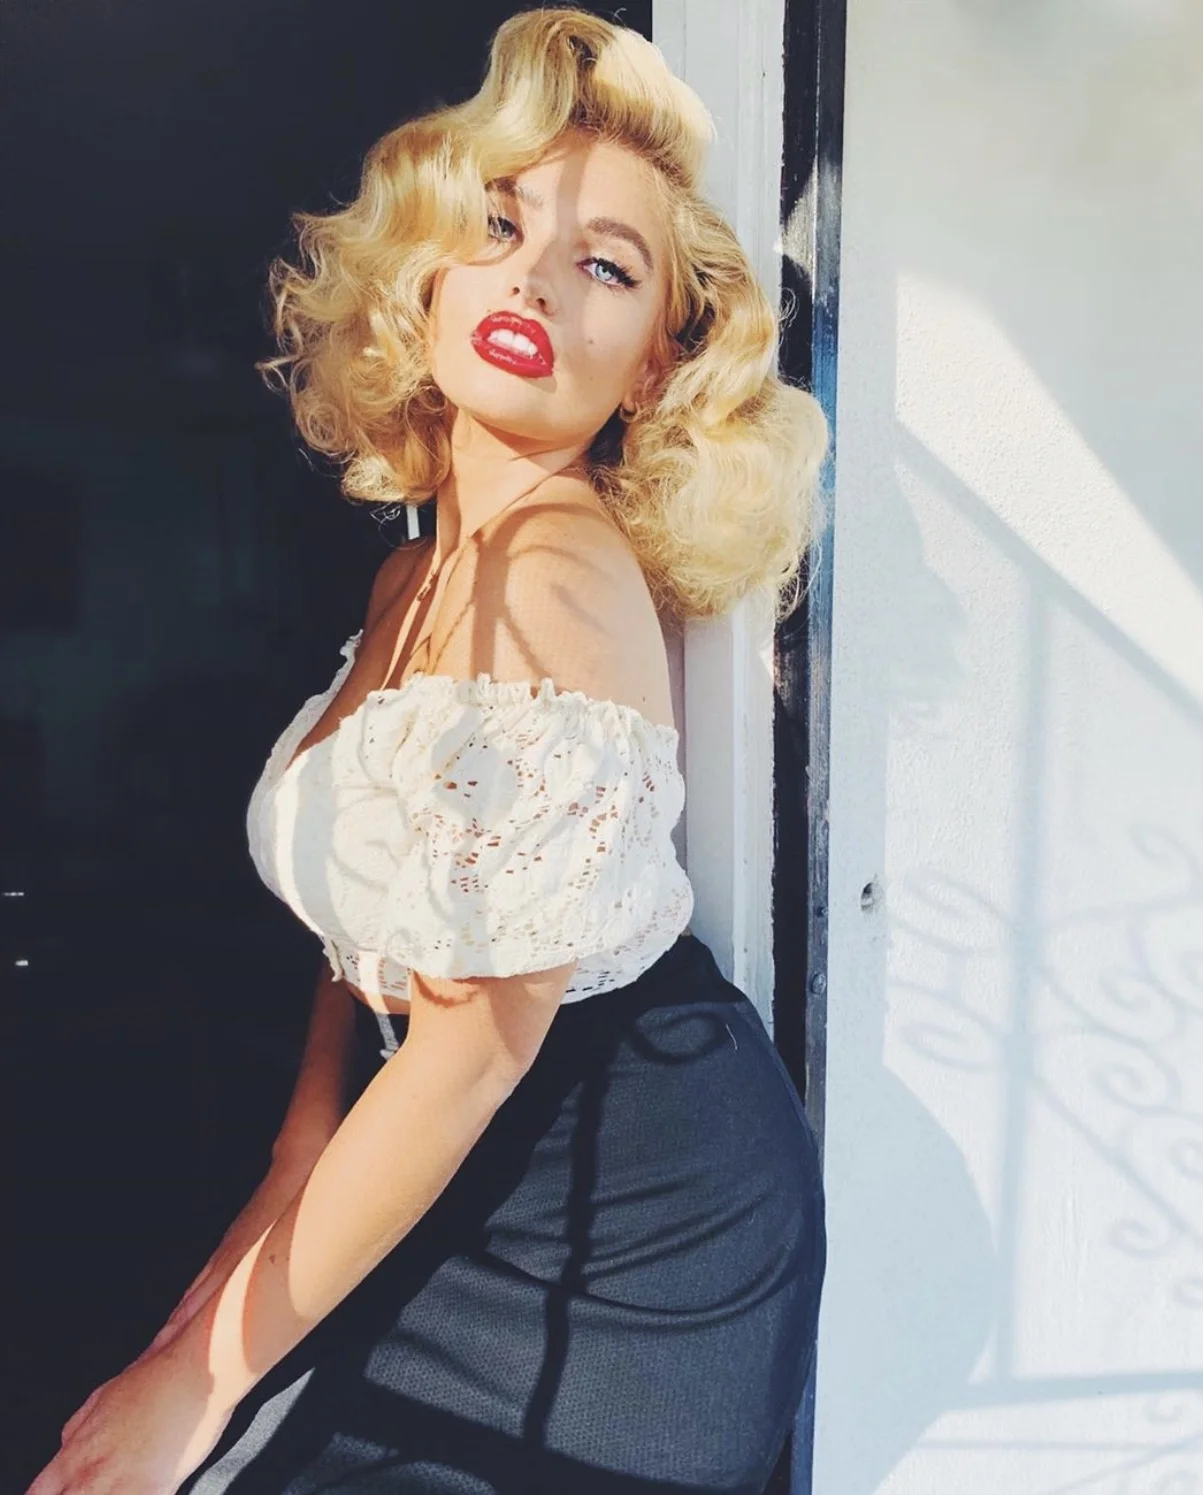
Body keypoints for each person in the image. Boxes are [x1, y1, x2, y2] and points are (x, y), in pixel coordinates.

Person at [28, 8, 831, 1493]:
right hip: (449, 1136)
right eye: (500, 224)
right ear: (430, 268)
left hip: (635, 1208)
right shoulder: (415, 572)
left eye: (607, 266)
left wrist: (197, 1378)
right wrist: (282, 1179)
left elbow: (475, 1047)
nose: (534, 278)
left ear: (651, 369)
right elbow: (375, 927)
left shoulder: (554, 574)